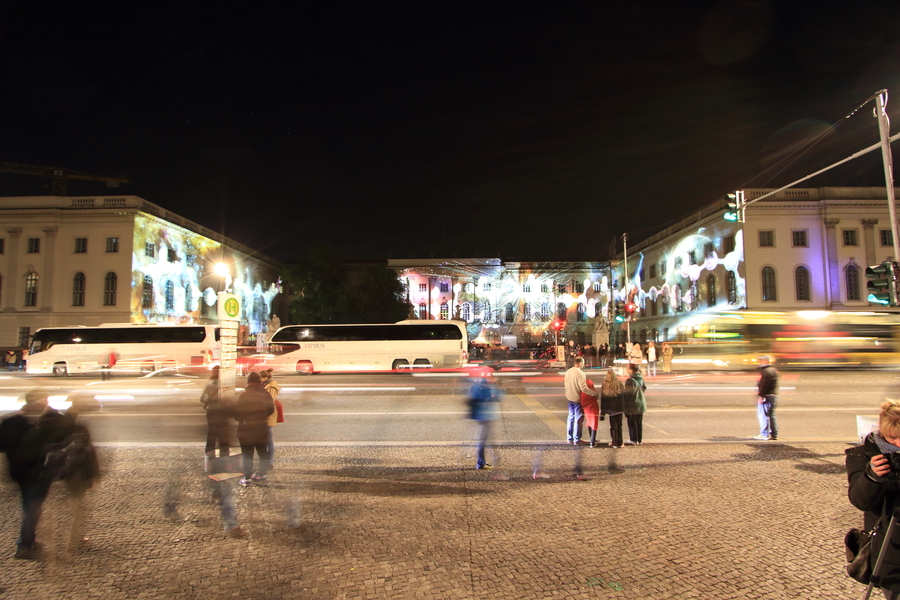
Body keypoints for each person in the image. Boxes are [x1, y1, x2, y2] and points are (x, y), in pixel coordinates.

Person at [0, 389, 98, 559]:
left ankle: (27, 541)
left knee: (30, 505)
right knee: (32, 506)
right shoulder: (43, 422)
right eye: (43, 400)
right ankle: (25, 545)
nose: (46, 403)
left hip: (24, 471)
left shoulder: (14, 421)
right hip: (35, 472)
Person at [846, 399, 900, 597]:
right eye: (893, 438)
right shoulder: (862, 456)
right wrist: (872, 477)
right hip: (891, 550)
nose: (899, 445)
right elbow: (860, 501)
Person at [234, 372, 274, 486]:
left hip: (246, 430)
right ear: (259, 382)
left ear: (248, 382)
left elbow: (237, 414)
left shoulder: (244, 395)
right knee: (262, 452)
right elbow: (271, 410)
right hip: (261, 428)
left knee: (247, 454)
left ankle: (247, 477)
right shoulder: (266, 394)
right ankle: (262, 474)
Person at [468, 372, 500, 470]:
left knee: (484, 439)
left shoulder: (475, 386)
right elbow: (494, 398)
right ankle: (480, 463)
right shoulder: (484, 387)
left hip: (479, 416)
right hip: (485, 416)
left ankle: (484, 461)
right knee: (483, 440)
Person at [564, 357, 598, 445]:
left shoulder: (568, 371)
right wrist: (594, 393)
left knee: (570, 418)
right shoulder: (580, 373)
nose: (583, 365)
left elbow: (566, 384)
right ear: (580, 363)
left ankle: (569, 438)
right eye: (583, 363)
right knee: (578, 419)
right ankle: (576, 439)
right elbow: (583, 388)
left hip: (569, 398)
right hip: (577, 398)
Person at [201, 366, 231, 458]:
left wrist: (211, 400)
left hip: (211, 412)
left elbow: (203, 399)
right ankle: (224, 455)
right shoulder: (225, 385)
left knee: (211, 434)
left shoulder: (209, 384)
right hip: (223, 412)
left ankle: (210, 455)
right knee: (224, 434)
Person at [260, 369, 282, 470]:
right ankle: (266, 461)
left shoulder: (271, 387)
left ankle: (269, 462)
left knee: (268, 440)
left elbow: (270, 402)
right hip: (265, 414)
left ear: (265, 378)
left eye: (260, 378)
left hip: (268, 415)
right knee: (265, 440)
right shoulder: (266, 385)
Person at [753, 355, 779, 441]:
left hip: (767, 396)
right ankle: (773, 434)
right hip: (772, 395)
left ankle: (764, 434)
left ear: (766, 361)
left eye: (761, 360)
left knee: (763, 415)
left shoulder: (767, 371)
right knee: (771, 415)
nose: (760, 362)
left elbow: (764, 385)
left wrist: (761, 395)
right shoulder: (772, 370)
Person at [600, 369, 626, 448]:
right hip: (619, 407)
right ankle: (620, 442)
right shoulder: (620, 384)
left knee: (613, 426)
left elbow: (603, 400)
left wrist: (603, 413)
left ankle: (614, 442)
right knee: (619, 426)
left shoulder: (605, 385)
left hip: (611, 409)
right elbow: (624, 397)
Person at [624, 363, 647, 445]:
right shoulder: (640, 378)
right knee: (639, 422)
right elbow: (644, 387)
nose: (626, 369)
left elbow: (628, 394)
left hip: (633, 404)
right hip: (641, 403)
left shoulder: (630, 380)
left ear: (631, 370)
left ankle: (633, 439)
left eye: (627, 368)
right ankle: (639, 440)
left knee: (632, 422)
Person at [580, 378, 601, 447]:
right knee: (594, 424)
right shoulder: (592, 390)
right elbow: (596, 396)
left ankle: (592, 439)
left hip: (587, 409)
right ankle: (592, 441)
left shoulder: (583, 391)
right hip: (593, 407)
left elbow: (582, 400)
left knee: (589, 423)